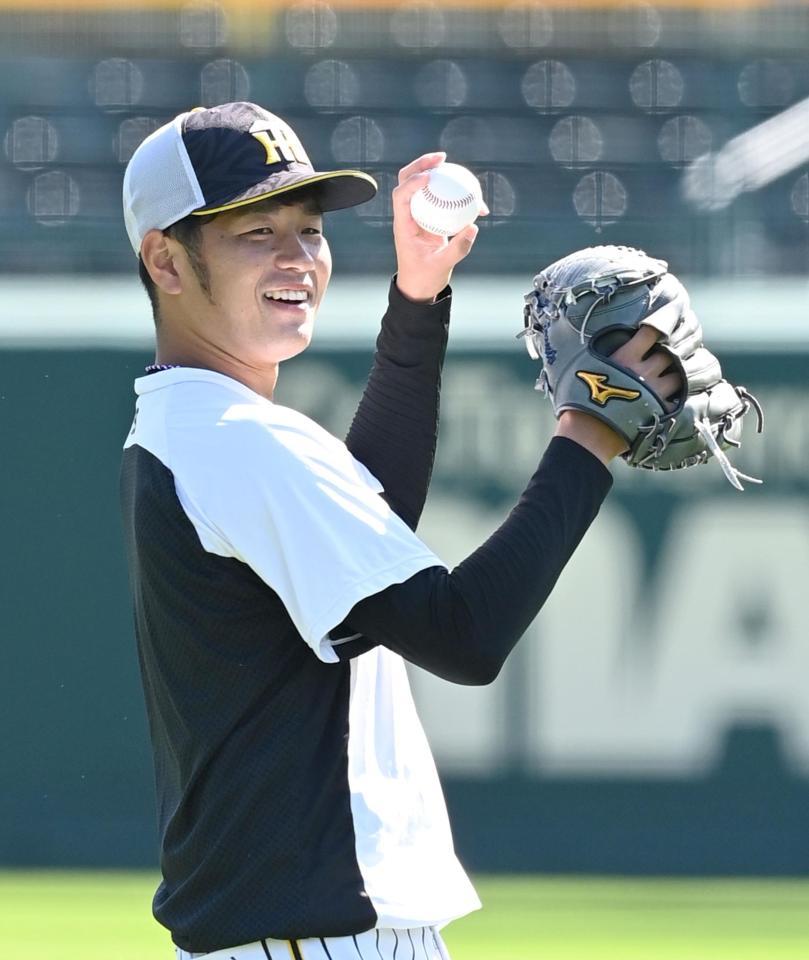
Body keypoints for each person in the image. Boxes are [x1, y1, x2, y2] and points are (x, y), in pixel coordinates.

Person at [120, 101, 679, 960]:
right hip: (317, 933)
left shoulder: (202, 428)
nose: (296, 257)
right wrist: (591, 429)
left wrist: (418, 295)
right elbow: (463, 635)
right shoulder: (234, 441)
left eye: (308, 229)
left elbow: (374, 511)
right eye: (255, 231)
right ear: (165, 258)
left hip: (297, 932)